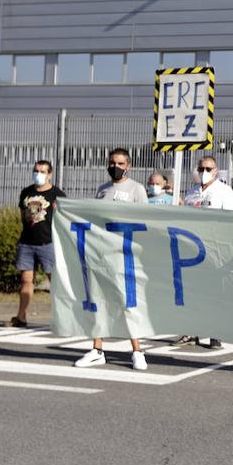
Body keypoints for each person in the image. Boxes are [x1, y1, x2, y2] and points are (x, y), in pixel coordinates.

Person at [76, 148, 149, 370]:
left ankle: (137, 351)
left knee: (128, 304)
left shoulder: (137, 189)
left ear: (128, 166)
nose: (115, 167)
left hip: (125, 255)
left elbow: (146, 220)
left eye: (119, 163)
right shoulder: (102, 190)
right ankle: (97, 349)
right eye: (111, 163)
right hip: (101, 254)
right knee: (98, 301)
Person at [181, 155, 233, 349]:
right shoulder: (191, 192)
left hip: (214, 249)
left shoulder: (224, 191)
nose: (204, 172)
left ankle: (215, 333)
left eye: (209, 169)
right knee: (192, 291)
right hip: (191, 249)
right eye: (201, 168)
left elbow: (230, 221)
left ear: (216, 171)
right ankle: (191, 330)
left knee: (214, 292)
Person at [9, 160, 66, 328]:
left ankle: (61, 317)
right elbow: (22, 216)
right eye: (36, 171)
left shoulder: (57, 194)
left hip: (48, 243)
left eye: (42, 171)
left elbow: (63, 218)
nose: (38, 174)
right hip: (27, 243)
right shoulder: (26, 192)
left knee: (54, 282)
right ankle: (21, 316)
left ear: (49, 174)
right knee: (26, 280)